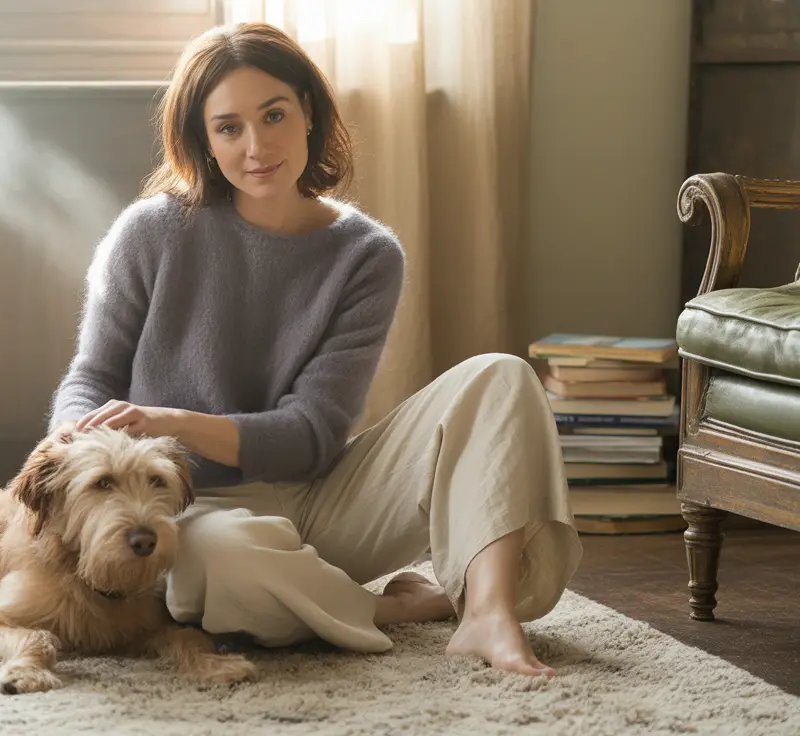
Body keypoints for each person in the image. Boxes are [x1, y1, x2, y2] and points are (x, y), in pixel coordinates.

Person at [47, 21, 581, 678]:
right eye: (229, 127)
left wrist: (172, 424)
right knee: (220, 561)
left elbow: (312, 436)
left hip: (324, 499)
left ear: (309, 112)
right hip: (194, 510)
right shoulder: (149, 232)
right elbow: (91, 374)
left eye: (274, 115)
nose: (257, 145)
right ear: (204, 143)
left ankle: (488, 612)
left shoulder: (367, 256)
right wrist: (75, 438)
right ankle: (387, 610)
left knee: (501, 375)